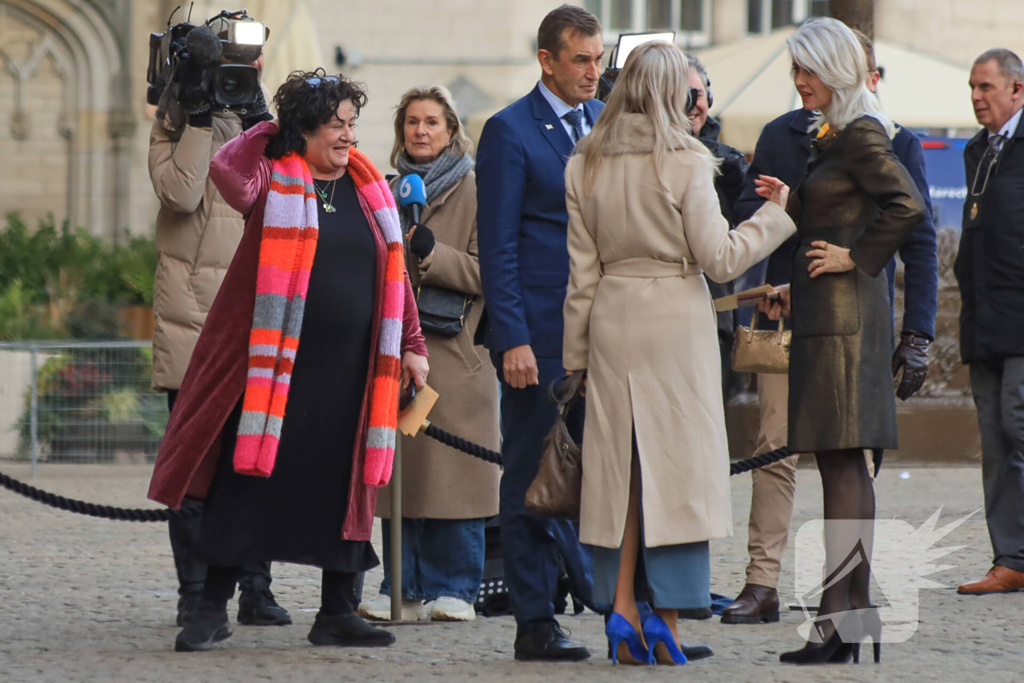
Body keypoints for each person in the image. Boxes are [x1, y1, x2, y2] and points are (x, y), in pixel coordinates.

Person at [147, 69, 429, 653]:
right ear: (304, 130)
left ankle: (336, 612)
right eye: (334, 125)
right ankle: (210, 608)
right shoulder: (275, 181)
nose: (348, 136)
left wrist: (413, 347)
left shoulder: (370, 188)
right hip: (279, 371)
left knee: (345, 489)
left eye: (352, 123)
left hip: (354, 374)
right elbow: (226, 171)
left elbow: (395, 278)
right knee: (247, 487)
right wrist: (273, 123)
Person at [562, 40, 796, 666]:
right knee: (675, 470)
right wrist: (774, 215)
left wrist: (575, 359)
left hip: (612, 316)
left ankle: (620, 608)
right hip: (674, 317)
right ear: (674, 94)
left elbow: (580, 277)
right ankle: (665, 614)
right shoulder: (687, 160)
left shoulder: (583, 162)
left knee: (621, 472)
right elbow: (720, 257)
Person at [722, 28, 939, 626]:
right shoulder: (834, 131)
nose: (798, 81)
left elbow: (908, 209)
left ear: (837, 70)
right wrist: (795, 205)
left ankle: (834, 617)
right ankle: (852, 612)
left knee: (842, 463)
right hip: (831, 317)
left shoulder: (862, 132)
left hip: (845, 324)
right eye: (795, 69)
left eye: (808, 70)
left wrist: (856, 259)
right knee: (845, 464)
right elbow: (847, 211)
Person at [476, 3, 604, 662]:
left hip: (604, 330)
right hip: (539, 335)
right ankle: (535, 619)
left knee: (602, 473)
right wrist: (513, 337)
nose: (593, 71)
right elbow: (496, 245)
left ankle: (617, 604)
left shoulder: (607, 122)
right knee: (531, 474)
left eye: (598, 58)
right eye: (580, 59)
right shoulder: (508, 131)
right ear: (547, 60)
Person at [147, 38, 289, 628]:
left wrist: (257, 113)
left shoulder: (262, 124)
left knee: (253, 458)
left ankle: (256, 587)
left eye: (244, 65)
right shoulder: (173, 125)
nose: (235, 74)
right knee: (193, 464)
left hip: (253, 311)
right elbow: (180, 193)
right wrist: (199, 115)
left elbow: (285, 191)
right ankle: (195, 591)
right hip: (189, 319)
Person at [358, 85, 500, 623]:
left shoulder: (475, 189)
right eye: (413, 122)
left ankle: (457, 589)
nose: (421, 130)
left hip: (457, 355)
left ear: (451, 131)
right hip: (395, 354)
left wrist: (430, 254)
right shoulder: (386, 189)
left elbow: (490, 271)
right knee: (402, 479)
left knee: (455, 479)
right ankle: (403, 588)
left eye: (432, 122)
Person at [955, 49, 1024, 596]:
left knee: (1019, 426)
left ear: (1017, 89)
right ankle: (1010, 558)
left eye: (986, 87)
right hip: (985, 325)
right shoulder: (976, 150)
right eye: (972, 87)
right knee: (995, 443)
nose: (977, 96)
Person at [686, 53, 751, 402]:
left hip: (717, 312)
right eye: (681, 95)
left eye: (697, 95)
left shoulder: (729, 163)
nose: (692, 105)